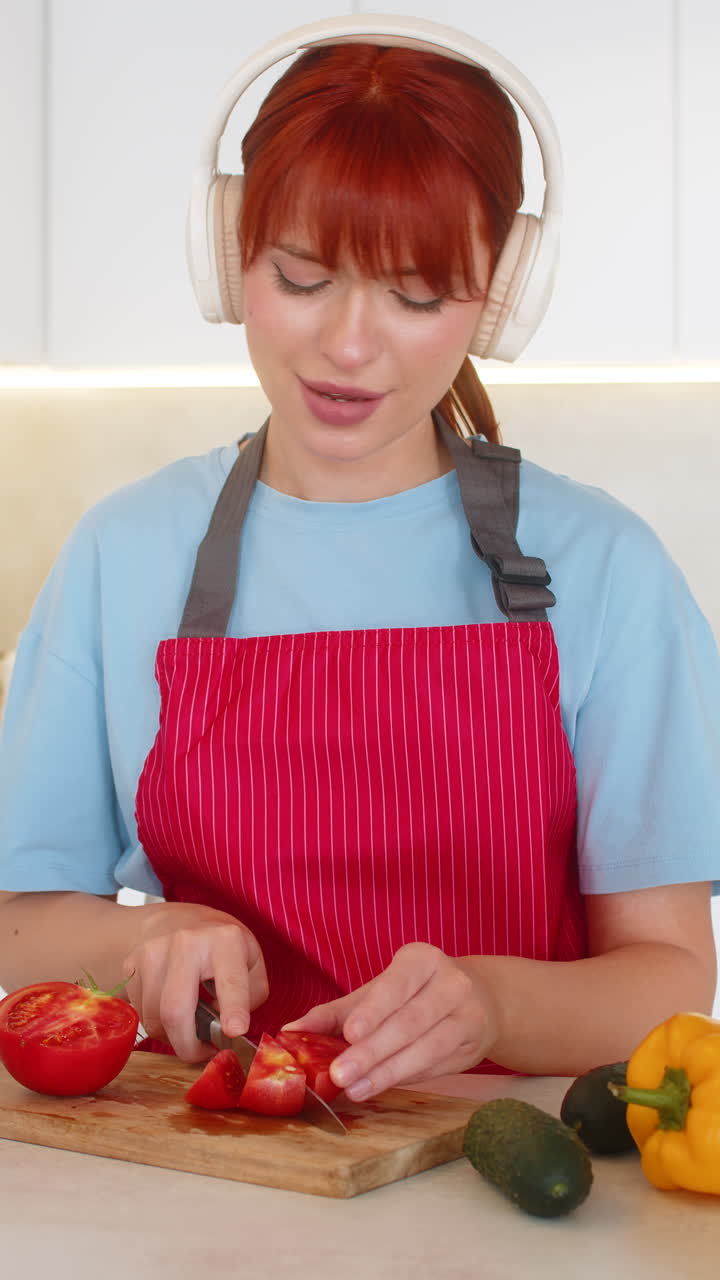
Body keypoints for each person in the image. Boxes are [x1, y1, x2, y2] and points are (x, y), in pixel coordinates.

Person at [1, 17, 718, 1103]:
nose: (347, 344)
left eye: (419, 295)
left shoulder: (603, 565)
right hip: (209, 1179)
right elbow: (15, 926)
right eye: (300, 276)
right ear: (228, 250)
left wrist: (494, 1003)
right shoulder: (124, 550)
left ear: (500, 295)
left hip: (515, 1195)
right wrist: (151, 935)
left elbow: (669, 974)